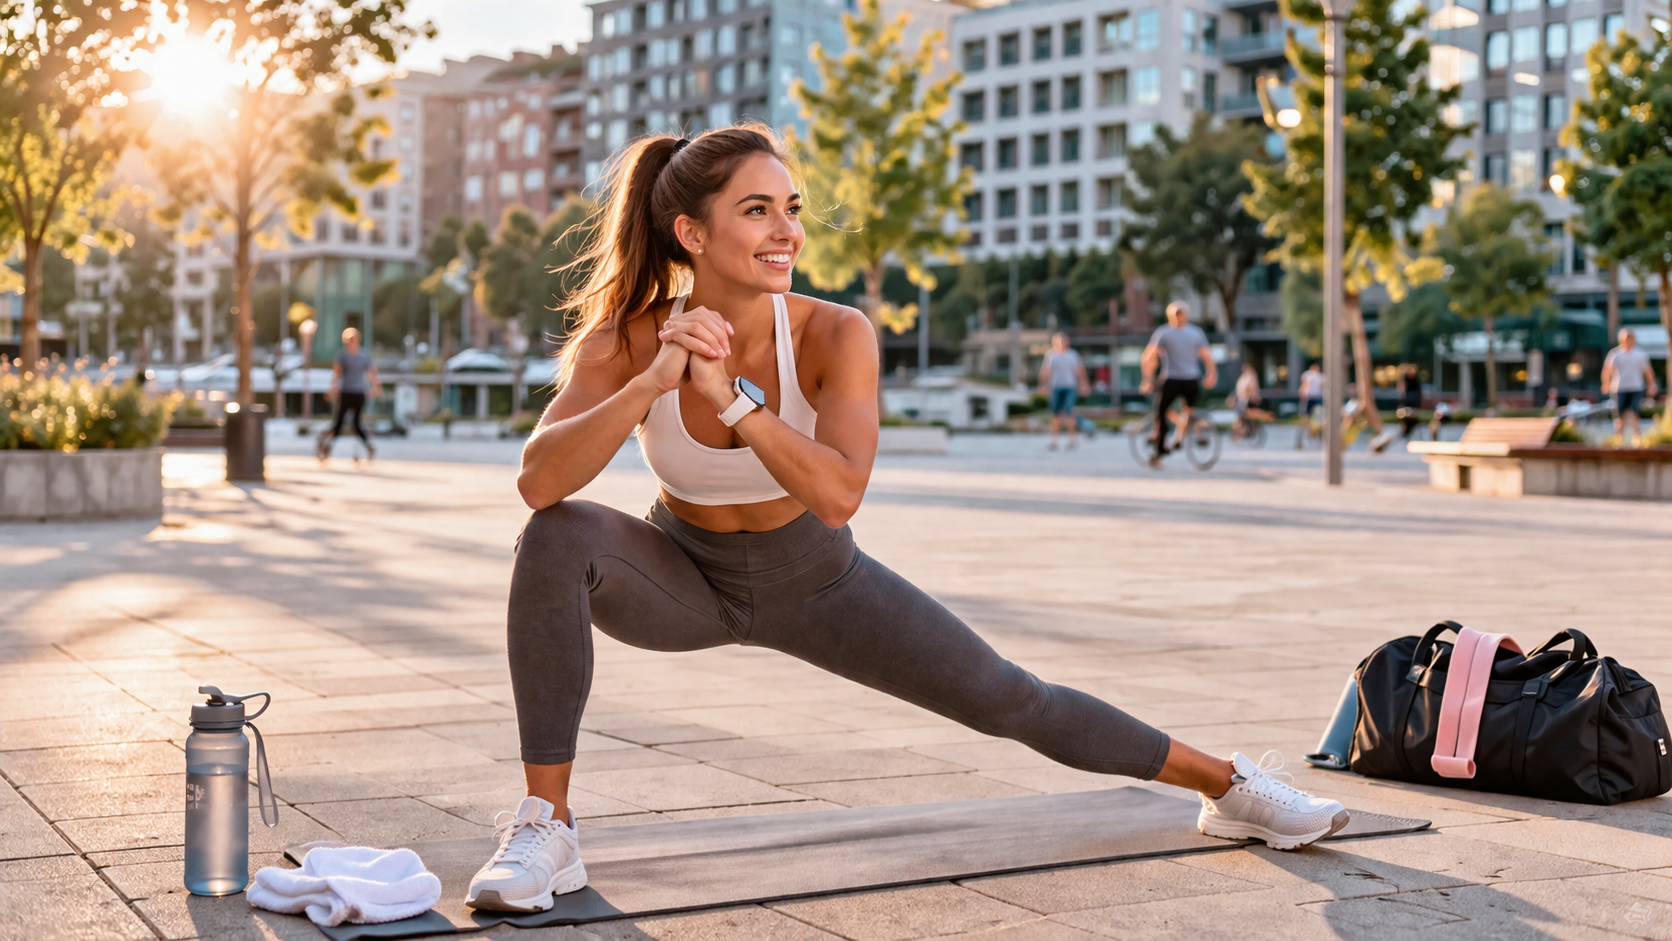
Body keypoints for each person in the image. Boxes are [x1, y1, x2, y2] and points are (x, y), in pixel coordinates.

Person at [464, 126, 1348, 914]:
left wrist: (731, 400)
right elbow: (540, 480)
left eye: (791, 209)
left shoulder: (834, 332)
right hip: (680, 576)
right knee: (558, 536)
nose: (787, 231)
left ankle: (1230, 785)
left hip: (817, 577)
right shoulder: (627, 337)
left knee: (1009, 697)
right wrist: (654, 380)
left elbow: (838, 494)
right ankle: (549, 824)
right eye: (757, 210)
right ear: (692, 234)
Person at [1139, 301, 1217, 468]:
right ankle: (1179, 437)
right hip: (1191, 379)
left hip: (1172, 379)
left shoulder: (1164, 332)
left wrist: (1147, 379)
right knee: (1187, 411)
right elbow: (1207, 356)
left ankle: (1160, 451)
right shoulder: (1196, 332)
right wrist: (1211, 373)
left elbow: (1148, 357)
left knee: (1161, 413)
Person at [320, 328, 381, 461]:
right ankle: (327, 445)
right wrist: (333, 388)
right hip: (346, 392)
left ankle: (369, 447)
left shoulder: (364, 355)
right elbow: (337, 373)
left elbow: (371, 372)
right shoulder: (342, 356)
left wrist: (376, 385)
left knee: (356, 423)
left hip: (359, 393)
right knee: (339, 422)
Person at [1601, 328, 1659, 446]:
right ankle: (1619, 440)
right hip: (1619, 388)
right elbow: (1607, 370)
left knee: (1635, 413)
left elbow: (1648, 370)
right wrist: (1606, 382)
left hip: (1636, 387)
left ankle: (1636, 440)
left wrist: (1652, 384)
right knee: (1619, 416)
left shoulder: (1640, 354)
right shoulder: (1615, 354)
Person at [1039, 332, 1090, 451]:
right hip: (1055, 386)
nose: (1062, 343)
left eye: (1064, 340)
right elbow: (1046, 371)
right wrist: (1043, 385)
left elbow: (1080, 370)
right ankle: (1053, 441)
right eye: (1060, 340)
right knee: (1054, 414)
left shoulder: (1073, 354)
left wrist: (1084, 384)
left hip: (1070, 386)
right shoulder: (1051, 355)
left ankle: (1073, 440)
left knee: (1069, 412)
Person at [1295, 363, 1325, 450]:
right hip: (1310, 398)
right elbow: (1305, 385)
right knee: (1307, 420)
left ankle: (1314, 439)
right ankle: (1302, 441)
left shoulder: (1319, 376)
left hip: (1315, 398)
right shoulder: (1309, 375)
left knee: (1317, 420)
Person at [1398, 366, 1423, 440]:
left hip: (1413, 404)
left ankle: (1410, 432)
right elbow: (1401, 390)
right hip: (1407, 404)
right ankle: (1406, 432)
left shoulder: (1415, 383)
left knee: (1412, 419)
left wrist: (1417, 407)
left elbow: (1419, 395)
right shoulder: (1406, 381)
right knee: (1406, 418)